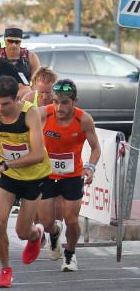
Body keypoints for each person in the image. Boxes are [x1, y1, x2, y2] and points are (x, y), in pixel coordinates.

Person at [0, 75, 52, 288]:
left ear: (16, 99)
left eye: (4, 104)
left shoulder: (29, 114)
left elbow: (37, 155)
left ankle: (36, 234)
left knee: (22, 232)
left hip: (33, 175)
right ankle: (5, 270)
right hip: (8, 174)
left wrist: (4, 165)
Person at [38, 79, 100, 272]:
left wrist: (90, 167)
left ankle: (70, 254)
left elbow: (96, 148)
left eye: (64, 102)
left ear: (75, 101)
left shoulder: (84, 120)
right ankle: (54, 234)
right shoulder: (43, 113)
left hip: (72, 174)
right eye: (56, 101)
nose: (59, 106)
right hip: (46, 174)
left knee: (71, 219)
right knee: (47, 222)